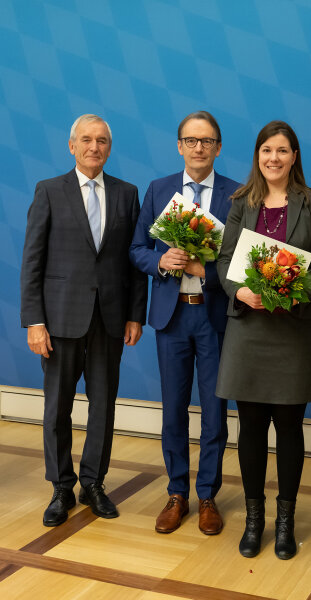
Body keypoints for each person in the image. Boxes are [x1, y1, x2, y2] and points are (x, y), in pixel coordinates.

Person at [20, 114, 148, 527]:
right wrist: (34, 321)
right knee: (58, 407)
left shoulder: (128, 194)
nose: (95, 147)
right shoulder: (49, 191)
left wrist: (134, 315)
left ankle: (94, 483)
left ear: (110, 147)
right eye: (87, 140)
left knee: (103, 405)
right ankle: (61, 486)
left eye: (103, 141)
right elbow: (32, 262)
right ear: (71, 145)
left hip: (110, 319)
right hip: (58, 320)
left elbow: (135, 262)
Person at [216, 121, 311, 560]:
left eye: (282, 151)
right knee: (250, 428)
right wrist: (239, 290)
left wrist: (299, 290)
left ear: (294, 156)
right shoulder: (239, 202)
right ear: (257, 156)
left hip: (293, 328)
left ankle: (285, 522)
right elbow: (225, 259)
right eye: (267, 150)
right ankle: (254, 520)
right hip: (249, 328)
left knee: (288, 428)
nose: (274, 158)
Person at [129, 111, 239, 535]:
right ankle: (177, 493)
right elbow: (137, 248)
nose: (198, 148)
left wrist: (205, 268)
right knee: (173, 409)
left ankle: (208, 494)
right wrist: (160, 260)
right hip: (172, 317)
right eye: (191, 141)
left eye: (207, 141)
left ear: (218, 147)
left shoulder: (237, 195)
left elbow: (239, 262)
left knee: (215, 411)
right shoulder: (158, 190)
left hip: (215, 316)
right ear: (179, 146)